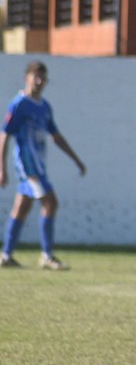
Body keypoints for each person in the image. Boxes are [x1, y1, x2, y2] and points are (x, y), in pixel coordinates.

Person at [0, 61, 86, 270]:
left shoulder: (45, 107)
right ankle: (47, 256)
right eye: (35, 76)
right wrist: (1, 168)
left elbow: (55, 136)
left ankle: (5, 256)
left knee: (22, 207)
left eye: (42, 78)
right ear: (26, 77)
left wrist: (75, 159)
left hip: (40, 165)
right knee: (51, 202)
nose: (39, 81)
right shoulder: (19, 104)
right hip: (28, 167)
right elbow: (5, 135)